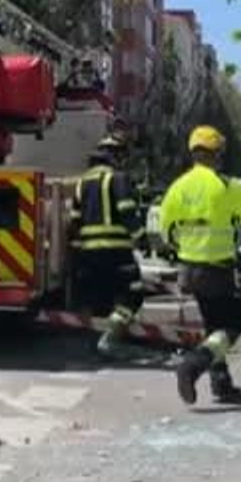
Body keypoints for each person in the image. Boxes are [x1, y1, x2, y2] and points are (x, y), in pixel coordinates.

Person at [161, 126, 241, 405]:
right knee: (231, 327)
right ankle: (192, 365)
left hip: (189, 269)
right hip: (217, 268)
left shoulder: (178, 186)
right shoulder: (226, 186)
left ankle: (221, 384)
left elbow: (165, 229)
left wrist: (183, 247)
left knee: (213, 328)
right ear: (217, 154)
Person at [70, 135, 146, 358]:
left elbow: (75, 220)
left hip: (88, 254)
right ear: (114, 156)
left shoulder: (82, 182)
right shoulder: (117, 178)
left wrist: (76, 253)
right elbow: (126, 210)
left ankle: (93, 344)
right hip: (117, 252)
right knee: (133, 295)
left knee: (98, 300)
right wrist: (142, 238)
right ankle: (110, 339)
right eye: (120, 154)